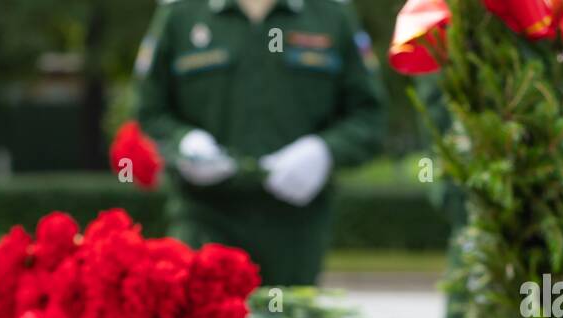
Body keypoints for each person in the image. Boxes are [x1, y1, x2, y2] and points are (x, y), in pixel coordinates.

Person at [135, 0, 385, 285]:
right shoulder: (182, 14)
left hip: (296, 230)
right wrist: (183, 142)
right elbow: (148, 113)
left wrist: (324, 151)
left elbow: (369, 117)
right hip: (204, 219)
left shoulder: (330, 15)